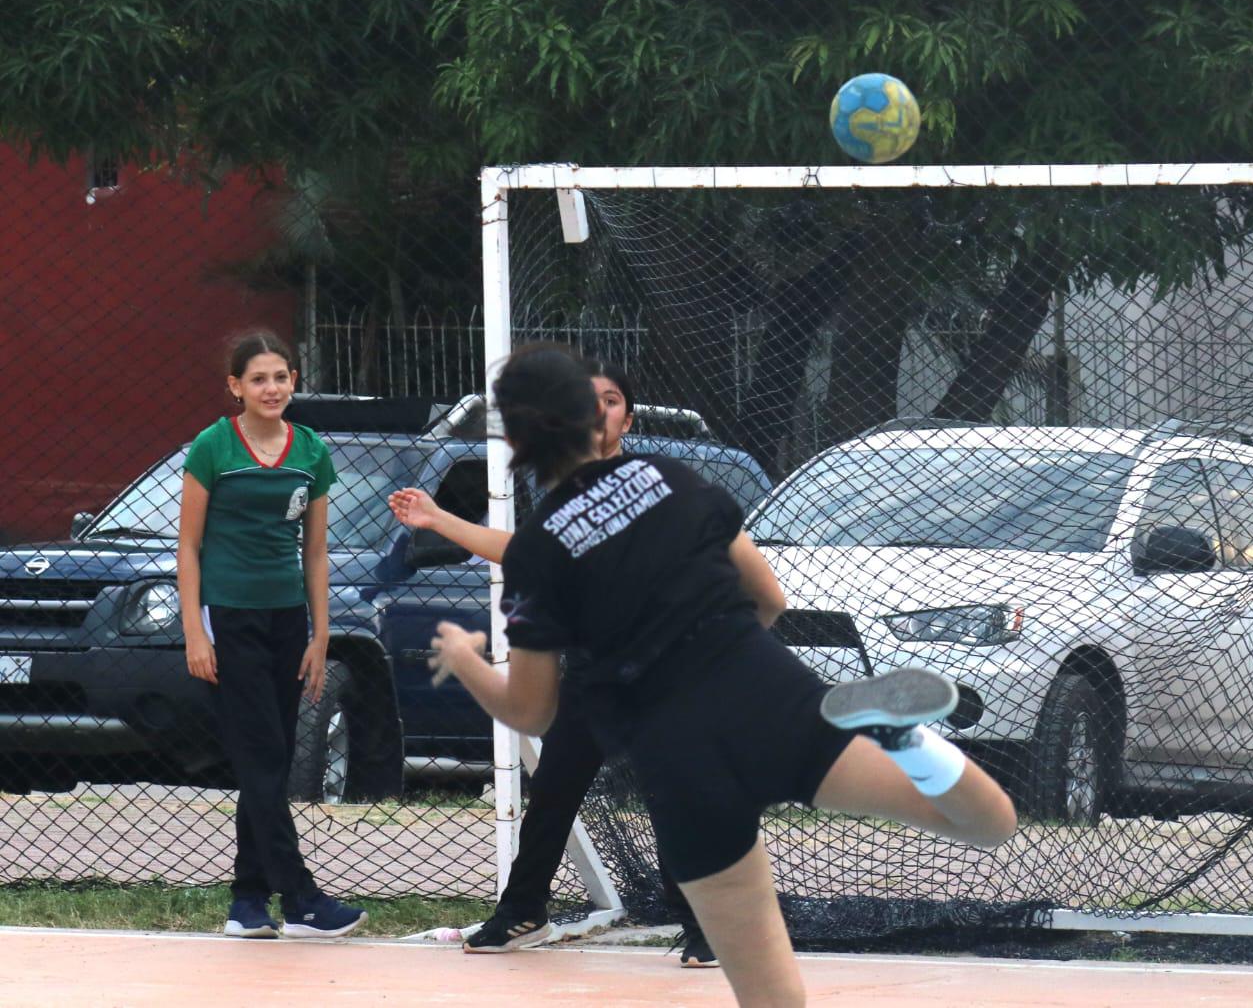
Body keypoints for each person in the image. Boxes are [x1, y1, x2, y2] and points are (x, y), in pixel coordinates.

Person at [426, 345, 1016, 1007]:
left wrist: (466, 658)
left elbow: (532, 710)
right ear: (595, 413)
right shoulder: (672, 477)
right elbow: (768, 597)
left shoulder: (538, 550)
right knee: (988, 823)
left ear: (514, 437)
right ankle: (904, 738)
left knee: (770, 994)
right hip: (773, 698)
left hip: (677, 759)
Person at [390, 361, 715, 963]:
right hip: (596, 670)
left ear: (628, 418)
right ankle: (521, 914)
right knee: (556, 790)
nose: (598, 411)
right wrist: (438, 520)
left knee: (671, 796)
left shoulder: (654, 482)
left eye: (611, 400)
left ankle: (703, 927)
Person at [177, 331, 368, 940]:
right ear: (235, 386)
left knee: (272, 761)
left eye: (281, 377)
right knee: (261, 760)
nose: (272, 388)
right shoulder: (212, 447)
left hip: (288, 620)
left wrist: (320, 635)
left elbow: (316, 551)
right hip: (228, 619)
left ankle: (247, 901)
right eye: (258, 379)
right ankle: (303, 899)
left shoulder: (310, 450)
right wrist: (194, 633)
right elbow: (188, 546)